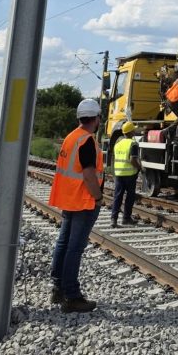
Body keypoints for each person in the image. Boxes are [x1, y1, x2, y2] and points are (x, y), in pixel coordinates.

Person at [49, 98, 104, 313]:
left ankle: (58, 287)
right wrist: (98, 198)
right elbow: (89, 174)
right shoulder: (87, 140)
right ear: (96, 118)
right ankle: (72, 296)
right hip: (82, 200)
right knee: (75, 247)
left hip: (69, 199)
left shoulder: (71, 137)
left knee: (63, 243)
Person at [110, 120, 141, 229]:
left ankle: (113, 219)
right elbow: (133, 160)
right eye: (134, 129)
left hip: (118, 174)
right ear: (131, 132)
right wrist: (140, 168)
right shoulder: (133, 144)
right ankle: (126, 218)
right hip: (130, 175)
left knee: (117, 196)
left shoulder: (118, 144)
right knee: (130, 197)